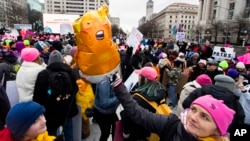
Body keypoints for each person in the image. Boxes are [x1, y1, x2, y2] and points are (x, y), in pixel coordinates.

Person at [110, 75, 235, 141]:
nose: (193, 118)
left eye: (204, 117)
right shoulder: (172, 124)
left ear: (218, 130)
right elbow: (137, 112)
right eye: (193, 109)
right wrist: (119, 86)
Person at [121, 66, 166, 140]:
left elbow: (128, 118)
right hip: (151, 133)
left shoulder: (138, 98)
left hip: (136, 134)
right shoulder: (161, 93)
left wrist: (125, 132)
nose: (138, 78)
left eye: (139, 75)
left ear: (145, 79)